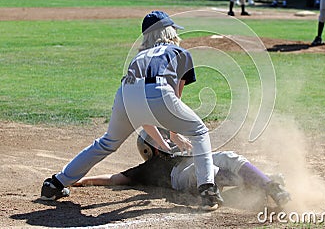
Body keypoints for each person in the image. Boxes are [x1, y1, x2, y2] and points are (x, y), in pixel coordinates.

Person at [40, 11, 224, 211]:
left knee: (107, 142)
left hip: (125, 93)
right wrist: (174, 134)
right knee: (199, 132)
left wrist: (167, 136)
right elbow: (174, 100)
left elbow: (142, 112)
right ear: (169, 32)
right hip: (159, 89)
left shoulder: (139, 56)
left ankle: (54, 184)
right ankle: (207, 191)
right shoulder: (179, 53)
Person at [73, 130, 291, 209]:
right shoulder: (149, 168)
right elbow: (113, 179)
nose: (168, 141)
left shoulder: (183, 151)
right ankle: (256, 184)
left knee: (227, 156)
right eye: (162, 139)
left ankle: (269, 186)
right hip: (181, 177)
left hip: (195, 164)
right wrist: (82, 179)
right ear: (151, 149)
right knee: (205, 169)